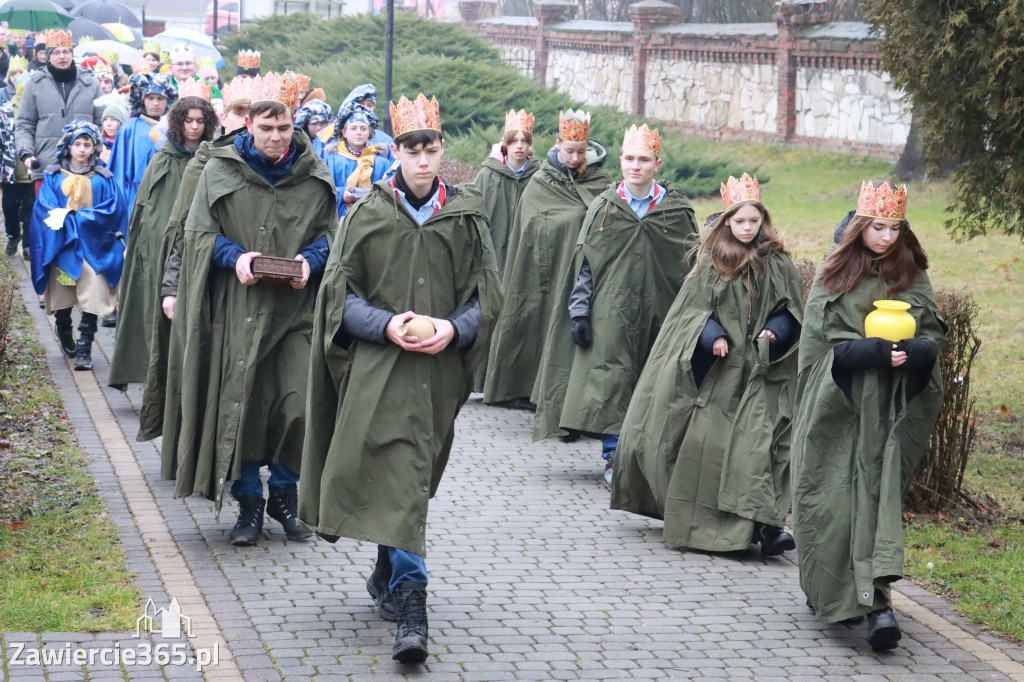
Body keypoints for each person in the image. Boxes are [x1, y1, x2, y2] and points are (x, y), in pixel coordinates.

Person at [299, 93, 501, 665]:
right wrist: (388, 325)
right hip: (377, 368)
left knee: (416, 473)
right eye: (410, 149)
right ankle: (413, 605)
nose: (421, 159)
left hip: (436, 371)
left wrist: (453, 328)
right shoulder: (367, 214)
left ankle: (388, 564)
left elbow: (489, 295)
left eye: (430, 149)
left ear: (441, 151)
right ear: (397, 152)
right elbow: (338, 298)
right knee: (402, 467)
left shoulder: (465, 217)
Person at [159, 72, 336, 546]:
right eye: (266, 129)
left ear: (293, 124)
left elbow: (331, 236)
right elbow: (197, 234)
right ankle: (249, 504)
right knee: (240, 405)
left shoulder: (315, 175)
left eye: (283, 128)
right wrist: (235, 257)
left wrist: (310, 261)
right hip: (235, 310)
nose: (275, 138)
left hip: (295, 311)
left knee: (296, 406)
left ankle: (284, 492)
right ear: (250, 128)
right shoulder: (219, 170)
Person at [611, 173, 802, 556]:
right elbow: (689, 312)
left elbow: (793, 310)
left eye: (754, 221)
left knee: (758, 446)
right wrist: (711, 333)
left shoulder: (778, 262)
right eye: (739, 221)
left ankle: (764, 527)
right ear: (727, 222)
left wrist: (774, 332)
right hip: (719, 373)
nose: (748, 228)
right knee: (710, 447)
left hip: (763, 371)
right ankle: (708, 527)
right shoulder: (712, 261)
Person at [792, 180, 945, 651]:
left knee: (877, 497)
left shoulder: (912, 271)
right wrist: (865, 352)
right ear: (861, 226)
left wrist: (915, 352)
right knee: (835, 498)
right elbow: (816, 348)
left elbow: (934, 328)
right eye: (878, 226)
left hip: (893, 410)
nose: (886, 236)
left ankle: (877, 603)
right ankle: (832, 591)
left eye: (895, 228)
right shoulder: (833, 271)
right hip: (841, 404)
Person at [532, 125, 698, 483]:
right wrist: (580, 312)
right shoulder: (604, 207)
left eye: (643, 159)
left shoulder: (675, 210)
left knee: (651, 381)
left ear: (657, 163)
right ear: (620, 160)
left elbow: (691, 267)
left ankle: (648, 455)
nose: (635, 166)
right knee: (612, 381)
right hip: (611, 310)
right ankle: (613, 455)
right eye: (628, 158)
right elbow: (585, 265)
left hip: (661, 312)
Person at [137, 78, 253, 442]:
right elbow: (181, 229)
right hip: (209, 278)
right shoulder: (199, 162)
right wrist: (170, 286)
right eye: (240, 115)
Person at [484, 109, 611, 407]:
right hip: (539, 266)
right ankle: (520, 388)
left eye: (581, 152)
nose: (575, 158)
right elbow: (527, 223)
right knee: (533, 318)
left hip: (581, 268)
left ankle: (565, 395)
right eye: (569, 151)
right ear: (558, 144)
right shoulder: (542, 180)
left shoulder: (601, 179)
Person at [108, 82, 216, 391]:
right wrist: (137, 243)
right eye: (187, 120)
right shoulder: (163, 156)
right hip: (157, 243)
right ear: (178, 122)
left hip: (198, 242)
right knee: (156, 307)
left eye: (200, 121)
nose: (194, 127)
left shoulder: (213, 159)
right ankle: (155, 376)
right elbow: (143, 205)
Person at [27, 120, 126, 369]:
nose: (82, 149)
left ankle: (85, 345)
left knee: (93, 289)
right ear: (69, 147)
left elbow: (113, 210)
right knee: (63, 292)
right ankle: (64, 328)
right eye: (77, 144)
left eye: (87, 144)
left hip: (93, 247)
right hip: (63, 245)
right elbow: (44, 208)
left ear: (95, 147)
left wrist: (78, 218)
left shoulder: (103, 178)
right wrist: (63, 219)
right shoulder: (53, 176)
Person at [15, 29, 104, 187]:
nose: (62, 56)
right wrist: (26, 153)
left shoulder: (90, 83)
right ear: (49, 56)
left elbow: (101, 122)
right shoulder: (35, 84)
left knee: (83, 211)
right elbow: (24, 124)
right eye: (56, 52)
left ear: (72, 54)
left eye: (66, 52)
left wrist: (100, 151)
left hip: (85, 167)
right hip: (46, 165)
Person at [471, 109, 540, 273]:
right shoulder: (487, 175)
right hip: (493, 259)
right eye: (514, 140)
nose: (519, 146)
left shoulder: (539, 177)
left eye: (524, 140)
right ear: (505, 143)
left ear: (530, 143)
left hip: (527, 260)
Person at [107, 71, 176, 225]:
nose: (156, 103)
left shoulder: (175, 127)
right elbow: (119, 169)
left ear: (167, 100)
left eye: (160, 98)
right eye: (151, 98)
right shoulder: (130, 127)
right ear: (142, 100)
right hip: (136, 196)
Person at [322, 103, 388, 218]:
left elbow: (389, 192)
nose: (359, 132)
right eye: (353, 128)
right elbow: (321, 189)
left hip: (373, 218)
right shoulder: (332, 159)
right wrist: (342, 194)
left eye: (363, 128)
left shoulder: (380, 161)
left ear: (370, 132)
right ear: (344, 132)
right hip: (340, 218)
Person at [0, 66, 32, 258]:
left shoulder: (38, 112)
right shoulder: (4, 111)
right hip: (9, 170)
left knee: (30, 209)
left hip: (31, 171)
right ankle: (13, 235)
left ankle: (28, 244)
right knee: (9, 206)